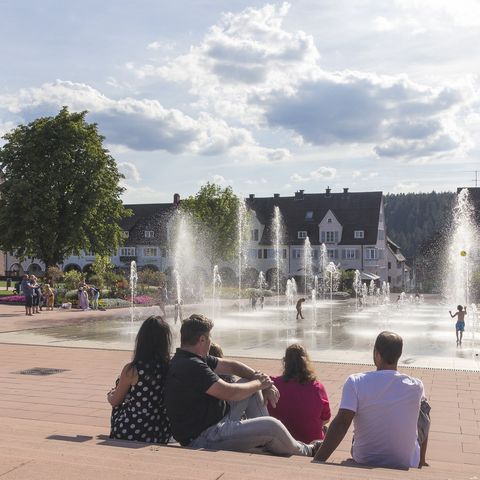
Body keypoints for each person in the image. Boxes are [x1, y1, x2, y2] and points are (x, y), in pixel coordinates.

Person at [165, 314, 322, 457]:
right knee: (272, 426)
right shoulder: (191, 365)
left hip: (216, 421)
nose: (211, 341)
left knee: (249, 385)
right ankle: (307, 450)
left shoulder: (191, 358)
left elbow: (233, 366)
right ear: (202, 340)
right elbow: (230, 393)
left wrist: (262, 380)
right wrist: (259, 383)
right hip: (205, 437)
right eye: (209, 337)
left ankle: (267, 441)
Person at [314, 331, 429, 469]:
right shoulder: (416, 386)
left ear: (376, 353)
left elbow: (341, 425)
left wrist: (318, 461)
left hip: (364, 457)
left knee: (360, 419)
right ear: (399, 355)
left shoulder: (356, 382)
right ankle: (421, 461)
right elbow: (424, 423)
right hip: (406, 462)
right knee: (424, 412)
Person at [108, 316, 172, 443]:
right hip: (160, 430)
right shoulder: (170, 367)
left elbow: (115, 401)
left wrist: (110, 395)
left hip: (131, 428)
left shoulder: (133, 369)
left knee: (118, 400)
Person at [268, 344, 331, 444]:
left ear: (285, 362)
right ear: (306, 362)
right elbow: (326, 419)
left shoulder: (272, 384)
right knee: (325, 429)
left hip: (279, 442)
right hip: (310, 443)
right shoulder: (317, 387)